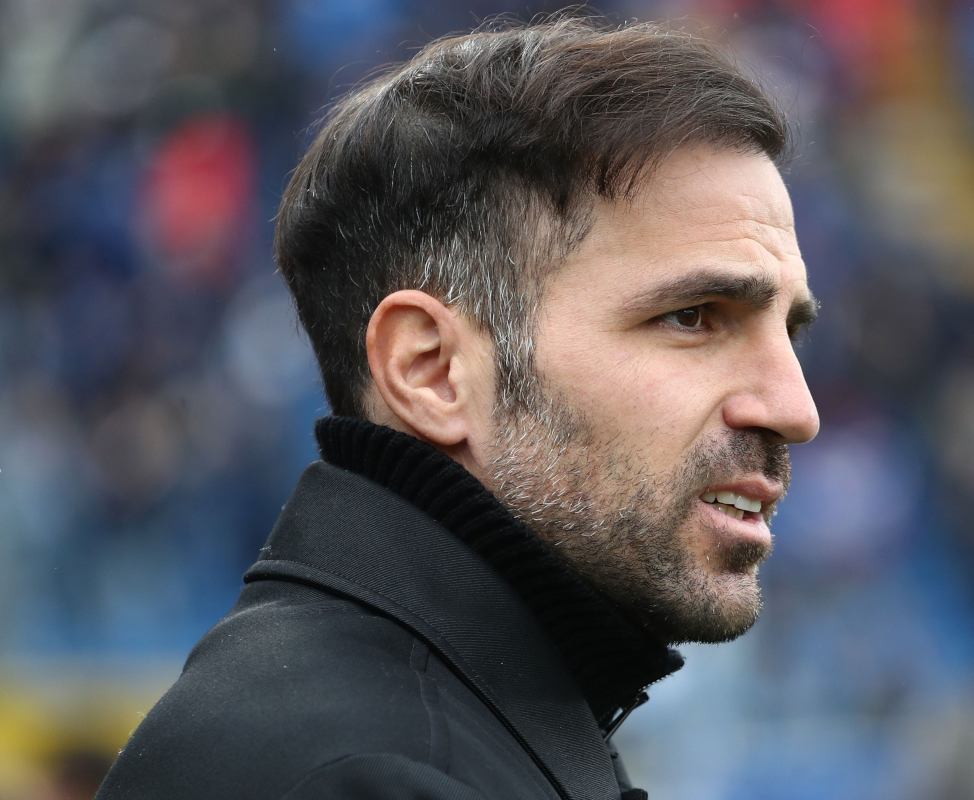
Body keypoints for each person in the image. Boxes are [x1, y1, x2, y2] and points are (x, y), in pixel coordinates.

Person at [96, 16, 819, 800]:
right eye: (693, 316)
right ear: (432, 371)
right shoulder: (365, 776)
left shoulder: (466, 723)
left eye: (789, 330)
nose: (794, 408)